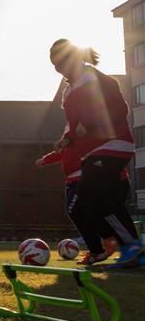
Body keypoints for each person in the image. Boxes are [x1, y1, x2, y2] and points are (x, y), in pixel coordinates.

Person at [49, 39, 140, 266]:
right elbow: (77, 123)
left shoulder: (96, 78)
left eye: (60, 63)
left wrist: (88, 124)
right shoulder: (69, 89)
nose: (58, 69)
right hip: (94, 149)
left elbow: (118, 108)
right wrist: (68, 139)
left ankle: (132, 246)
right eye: (54, 65)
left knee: (90, 191)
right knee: (91, 200)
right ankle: (124, 246)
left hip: (114, 141)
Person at [36, 144, 126, 265]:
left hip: (83, 176)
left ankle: (107, 239)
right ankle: (97, 249)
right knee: (77, 212)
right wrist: (46, 159)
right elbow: (64, 151)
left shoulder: (85, 131)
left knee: (76, 210)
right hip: (71, 180)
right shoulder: (71, 133)